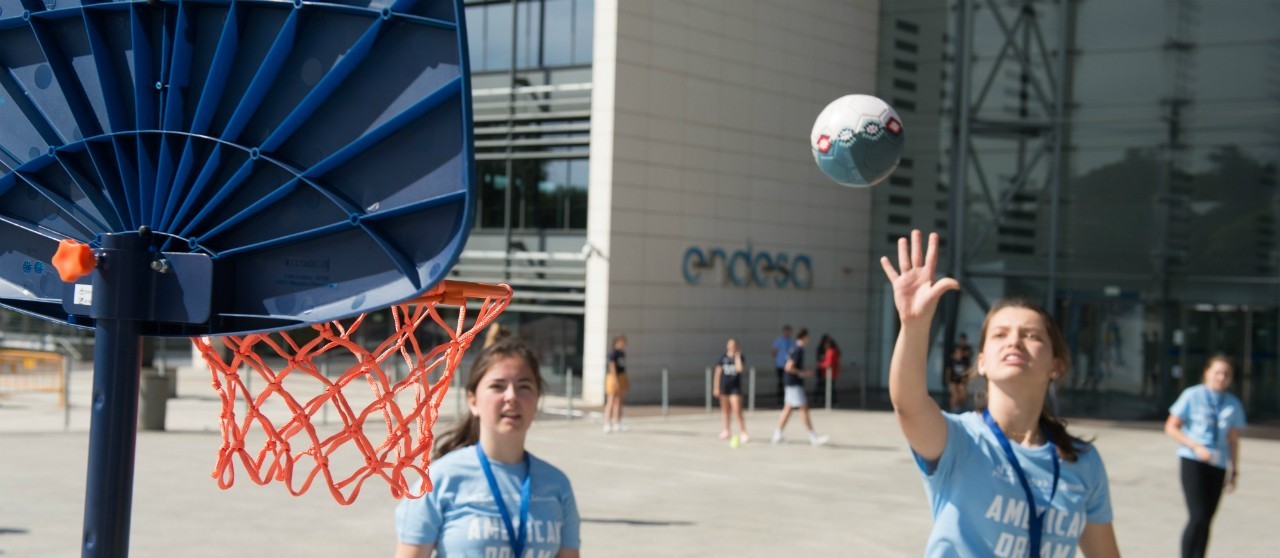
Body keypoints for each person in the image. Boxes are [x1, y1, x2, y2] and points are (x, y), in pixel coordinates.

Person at [880, 230, 1119, 557]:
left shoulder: (1082, 461)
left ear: (1056, 366)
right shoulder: (959, 440)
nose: (1014, 341)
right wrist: (913, 325)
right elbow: (908, 405)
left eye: (1032, 335)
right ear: (982, 363)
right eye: (1000, 334)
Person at [394, 340, 581, 558]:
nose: (511, 396)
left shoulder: (557, 484)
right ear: (473, 401)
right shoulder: (440, 479)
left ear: (537, 399)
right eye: (497, 386)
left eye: (524, 386)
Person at [1164, 355, 1246, 558]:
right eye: (1218, 372)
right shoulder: (1192, 395)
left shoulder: (1232, 404)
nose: (1221, 377)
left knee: (1207, 518)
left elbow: (1233, 440)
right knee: (1198, 515)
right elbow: (1171, 427)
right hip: (1194, 460)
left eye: (1226, 374)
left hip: (1218, 464)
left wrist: (1234, 471)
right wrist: (1194, 445)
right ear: (1207, 372)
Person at [771, 328, 830, 446]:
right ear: (804, 337)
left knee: (787, 409)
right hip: (794, 383)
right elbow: (789, 367)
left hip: (790, 382)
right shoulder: (798, 349)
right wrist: (803, 373)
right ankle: (812, 436)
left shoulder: (794, 348)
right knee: (803, 409)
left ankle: (778, 434)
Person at [713, 338, 749, 445]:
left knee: (737, 410)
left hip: (735, 388)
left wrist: (737, 357)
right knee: (725, 410)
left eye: (734, 345)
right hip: (725, 387)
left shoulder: (740, 357)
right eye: (730, 345)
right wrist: (716, 387)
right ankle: (726, 430)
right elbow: (718, 373)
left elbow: (740, 369)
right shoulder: (723, 358)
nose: (732, 347)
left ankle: (743, 432)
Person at [603, 334, 629, 433]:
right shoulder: (613, 353)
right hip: (613, 377)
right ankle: (607, 423)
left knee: (618, 401)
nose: (624, 344)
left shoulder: (621, 353)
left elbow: (623, 368)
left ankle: (618, 422)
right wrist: (616, 380)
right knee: (611, 401)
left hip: (621, 376)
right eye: (622, 342)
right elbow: (612, 367)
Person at [946, 333, 973, 412]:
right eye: (957, 352)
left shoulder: (966, 357)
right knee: (955, 395)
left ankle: (959, 406)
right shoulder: (952, 360)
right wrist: (947, 379)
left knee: (963, 394)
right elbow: (948, 370)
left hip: (962, 378)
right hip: (953, 378)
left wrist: (968, 378)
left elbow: (969, 367)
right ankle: (952, 409)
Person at [812, 335, 841, 407]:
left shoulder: (831, 351)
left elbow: (829, 363)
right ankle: (829, 401)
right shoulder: (833, 351)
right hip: (829, 373)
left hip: (829, 373)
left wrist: (821, 365)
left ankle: (830, 401)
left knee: (829, 388)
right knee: (830, 387)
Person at [771, 325, 794, 407]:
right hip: (780, 365)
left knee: (788, 383)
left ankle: (788, 400)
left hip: (789, 365)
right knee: (781, 382)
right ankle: (780, 399)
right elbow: (774, 352)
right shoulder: (779, 341)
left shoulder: (792, 341)